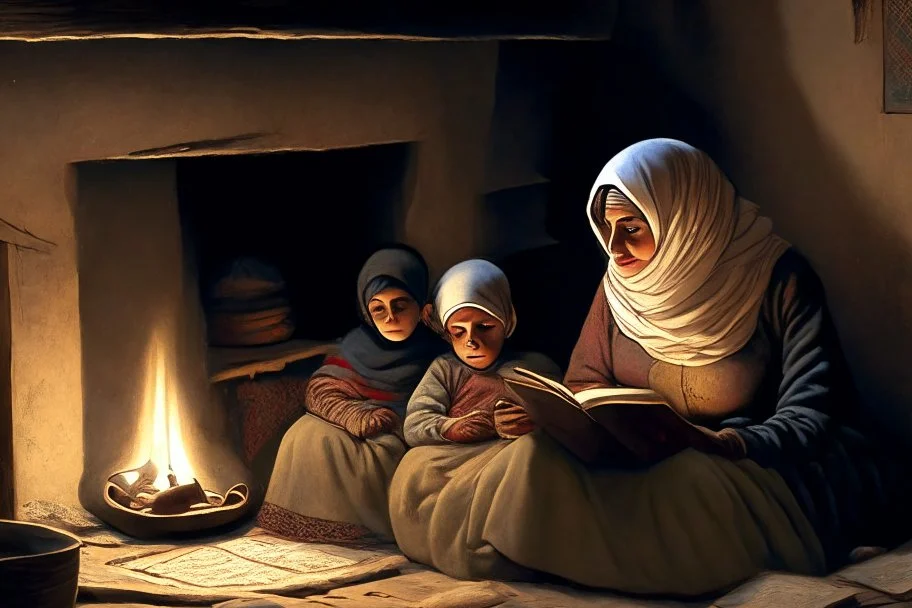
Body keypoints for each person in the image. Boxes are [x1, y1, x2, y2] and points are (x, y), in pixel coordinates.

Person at [387, 139, 909, 596]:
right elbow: (584, 382)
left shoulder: (778, 278)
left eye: (632, 228)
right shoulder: (619, 285)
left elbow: (811, 413)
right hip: (631, 455)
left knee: (687, 482)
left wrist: (730, 442)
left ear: (684, 217)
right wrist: (556, 419)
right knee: (528, 460)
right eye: (607, 229)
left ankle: (602, 568)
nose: (615, 249)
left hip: (743, 461)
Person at [257, 245, 444, 543]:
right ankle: (307, 531)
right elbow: (322, 388)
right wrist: (355, 415)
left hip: (401, 437)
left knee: (339, 444)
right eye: (378, 308)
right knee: (306, 431)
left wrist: (387, 421)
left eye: (401, 305)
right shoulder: (357, 345)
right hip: (359, 422)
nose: (390, 318)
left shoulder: (439, 351)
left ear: (420, 302)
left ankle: (359, 533)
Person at [403, 259, 561, 447]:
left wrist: (528, 420)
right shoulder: (445, 369)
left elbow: (563, 419)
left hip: (510, 453)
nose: (471, 341)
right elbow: (414, 425)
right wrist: (452, 428)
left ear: (507, 322)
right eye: (458, 332)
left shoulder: (535, 367)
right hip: (453, 455)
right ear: (447, 332)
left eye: (484, 327)